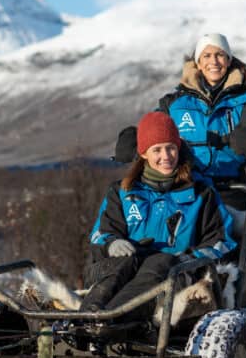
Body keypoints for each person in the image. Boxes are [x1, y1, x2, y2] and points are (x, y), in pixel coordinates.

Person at [83, 111, 237, 319]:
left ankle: (112, 319)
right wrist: (111, 243)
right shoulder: (122, 192)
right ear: (144, 153)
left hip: (174, 275)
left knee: (160, 261)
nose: (166, 157)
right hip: (122, 270)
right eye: (157, 150)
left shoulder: (201, 193)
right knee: (123, 262)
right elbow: (100, 234)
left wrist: (190, 259)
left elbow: (221, 241)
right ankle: (86, 317)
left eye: (171, 148)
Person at [116, 32, 246, 208]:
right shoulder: (175, 103)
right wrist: (136, 140)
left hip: (229, 190)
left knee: (231, 224)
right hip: (184, 188)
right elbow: (155, 128)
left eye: (220, 55)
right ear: (198, 63)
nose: (214, 61)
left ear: (228, 61)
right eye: (207, 56)